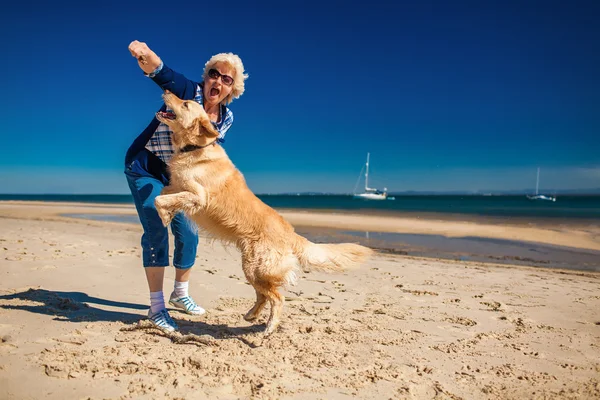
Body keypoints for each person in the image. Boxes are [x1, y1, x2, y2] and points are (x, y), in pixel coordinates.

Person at [124, 40, 248, 332]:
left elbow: (206, 154)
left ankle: (180, 294)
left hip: (178, 178)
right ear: (206, 77)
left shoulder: (226, 118)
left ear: (232, 89)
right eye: (213, 74)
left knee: (189, 235)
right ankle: (156, 309)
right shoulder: (187, 92)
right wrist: (145, 55)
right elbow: (162, 72)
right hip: (146, 168)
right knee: (156, 226)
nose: (217, 81)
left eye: (226, 79)